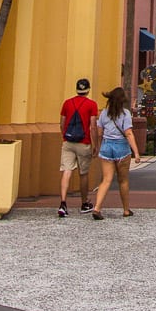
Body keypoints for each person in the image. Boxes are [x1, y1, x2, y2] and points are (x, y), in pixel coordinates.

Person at [92, 86, 141, 219]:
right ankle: (126, 209)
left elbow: (99, 132)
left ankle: (97, 207)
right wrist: (136, 152)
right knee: (123, 180)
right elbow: (129, 133)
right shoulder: (125, 114)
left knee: (106, 180)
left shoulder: (104, 113)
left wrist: (97, 147)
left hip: (106, 147)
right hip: (121, 148)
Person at [58, 77, 99, 218]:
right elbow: (93, 126)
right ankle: (84, 203)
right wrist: (95, 144)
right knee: (83, 173)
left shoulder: (67, 103)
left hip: (68, 142)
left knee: (66, 171)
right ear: (88, 90)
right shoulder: (92, 104)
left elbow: (62, 123)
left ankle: (63, 203)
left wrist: (64, 136)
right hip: (84, 142)